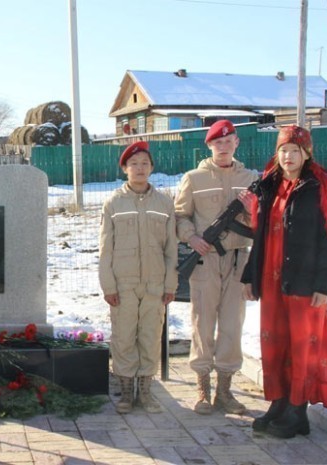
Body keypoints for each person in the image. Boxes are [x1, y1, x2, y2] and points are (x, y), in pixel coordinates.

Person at [241, 125, 327, 438]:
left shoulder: (320, 186)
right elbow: (259, 235)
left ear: (306, 153)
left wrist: (324, 284)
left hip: (304, 281)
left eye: (295, 150)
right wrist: (250, 275)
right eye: (283, 150)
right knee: (274, 340)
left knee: (302, 346)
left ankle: (297, 411)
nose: (288, 156)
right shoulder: (268, 184)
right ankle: (279, 401)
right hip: (272, 279)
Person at [174, 120, 258, 415]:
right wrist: (192, 237)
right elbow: (180, 215)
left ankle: (224, 391)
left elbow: (263, 223)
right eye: (217, 143)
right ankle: (202, 388)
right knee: (203, 323)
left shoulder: (251, 178)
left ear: (237, 143)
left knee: (233, 324)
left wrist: (252, 210)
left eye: (228, 141)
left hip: (238, 259)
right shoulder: (194, 178)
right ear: (209, 146)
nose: (223, 147)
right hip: (205, 260)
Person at [99, 141, 178, 414]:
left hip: (155, 286)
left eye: (145, 163)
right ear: (125, 169)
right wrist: (108, 285)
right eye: (134, 164)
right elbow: (105, 249)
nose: (139, 168)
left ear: (152, 168)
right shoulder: (114, 203)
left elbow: (171, 249)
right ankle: (126, 392)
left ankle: (145, 391)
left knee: (150, 336)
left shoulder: (164, 202)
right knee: (123, 338)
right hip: (124, 285)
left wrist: (170, 285)